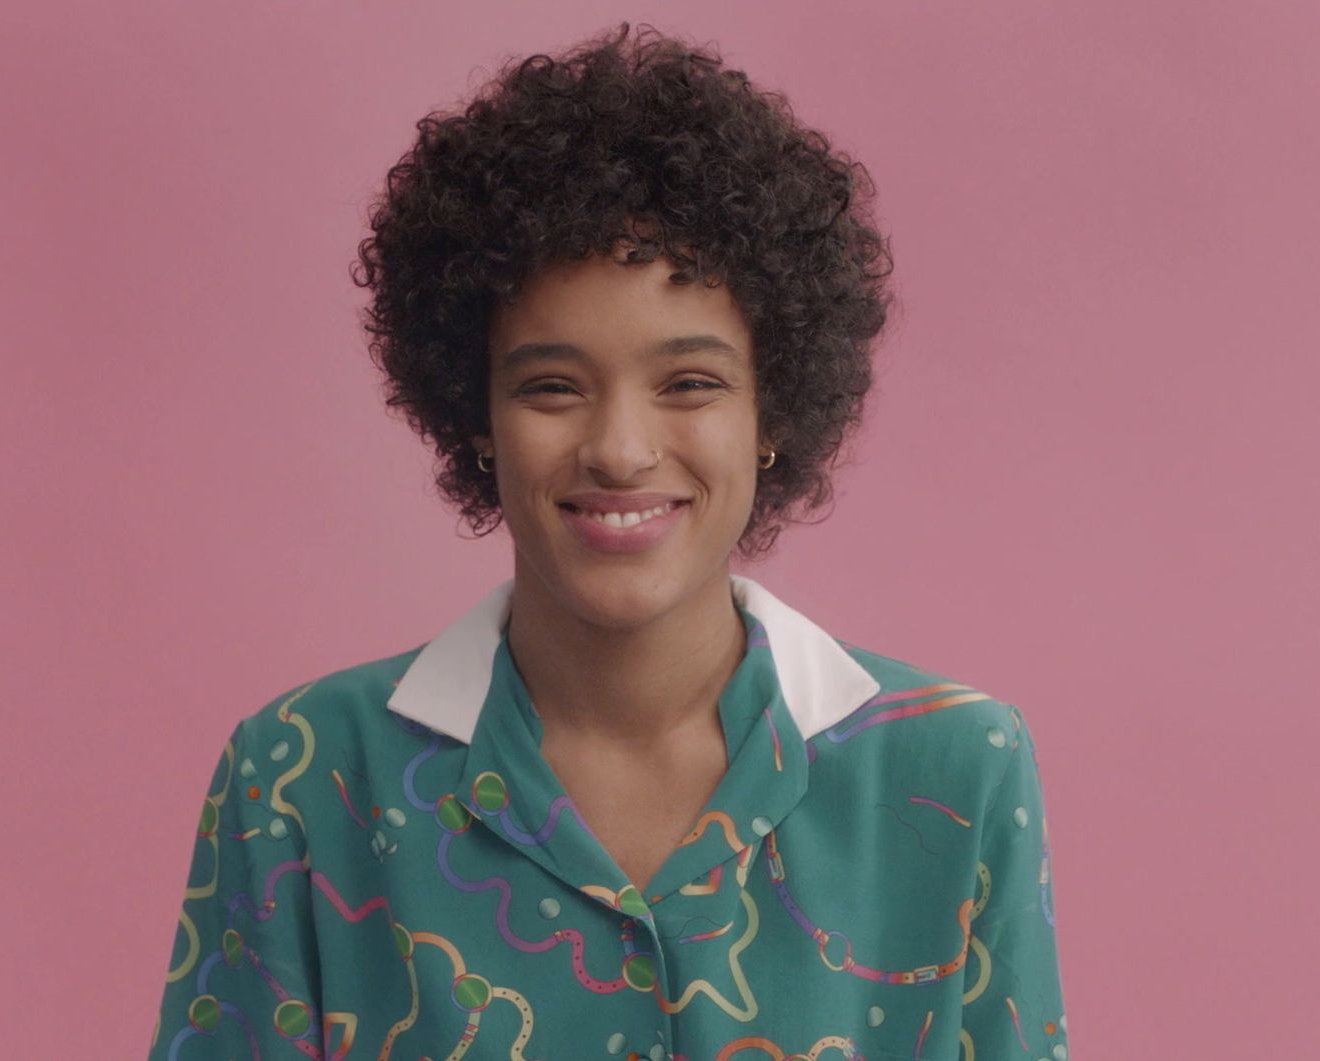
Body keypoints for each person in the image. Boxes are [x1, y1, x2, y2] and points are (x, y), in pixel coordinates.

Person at [147, 22, 1069, 1061]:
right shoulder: (301, 777)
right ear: (471, 413)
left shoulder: (954, 768)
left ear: (775, 414)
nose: (621, 449)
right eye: (550, 386)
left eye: (690, 383)